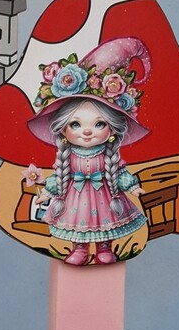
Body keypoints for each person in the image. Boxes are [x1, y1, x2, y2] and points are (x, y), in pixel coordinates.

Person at [30, 37, 151, 265]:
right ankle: (80, 250)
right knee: (78, 225)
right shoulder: (69, 155)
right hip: (75, 197)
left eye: (99, 124)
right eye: (76, 124)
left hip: (105, 195)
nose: (87, 132)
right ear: (62, 128)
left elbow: (119, 172)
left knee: (107, 223)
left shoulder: (107, 154)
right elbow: (59, 175)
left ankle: (105, 248)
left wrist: (132, 186)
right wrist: (47, 192)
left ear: (112, 128)